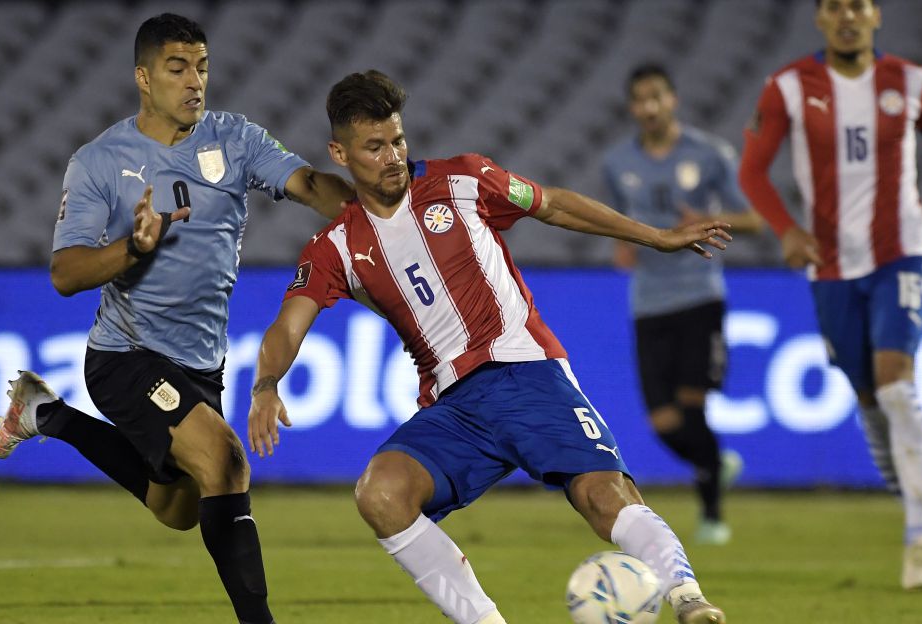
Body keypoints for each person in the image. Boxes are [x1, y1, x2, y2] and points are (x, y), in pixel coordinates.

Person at [248, 70, 732, 624]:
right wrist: (265, 385)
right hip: (454, 408)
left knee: (602, 494)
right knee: (380, 492)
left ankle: (688, 599)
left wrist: (656, 236)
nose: (393, 157)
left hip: (525, 371)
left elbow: (553, 205)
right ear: (340, 152)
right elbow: (288, 325)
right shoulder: (336, 246)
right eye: (375, 147)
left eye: (398, 141)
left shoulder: (464, 178)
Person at [0, 14, 354, 623]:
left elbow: (310, 183)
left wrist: (378, 205)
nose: (194, 82)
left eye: (202, 68)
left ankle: (44, 414)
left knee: (177, 511)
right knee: (226, 460)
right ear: (143, 77)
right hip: (125, 356)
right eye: (177, 68)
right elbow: (65, 273)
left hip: (201, 363)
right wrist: (134, 248)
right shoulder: (100, 161)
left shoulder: (235, 139)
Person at [739, 0, 922, 591]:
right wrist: (786, 229)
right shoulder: (787, 88)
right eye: (834, 7)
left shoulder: (914, 83)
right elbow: (753, 171)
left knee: (896, 382)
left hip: (902, 250)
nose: (847, 17)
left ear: (876, 15)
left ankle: (916, 538)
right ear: (819, 18)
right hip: (831, 263)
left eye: (857, 5)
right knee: (868, 398)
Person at [603, 64, 762, 546]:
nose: (649, 107)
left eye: (657, 97)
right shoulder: (616, 162)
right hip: (648, 303)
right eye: (640, 99)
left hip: (698, 296)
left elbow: (754, 219)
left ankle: (712, 516)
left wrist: (710, 219)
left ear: (672, 100)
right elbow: (619, 219)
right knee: (664, 423)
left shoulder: (709, 154)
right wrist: (624, 243)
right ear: (632, 107)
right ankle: (714, 463)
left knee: (693, 409)